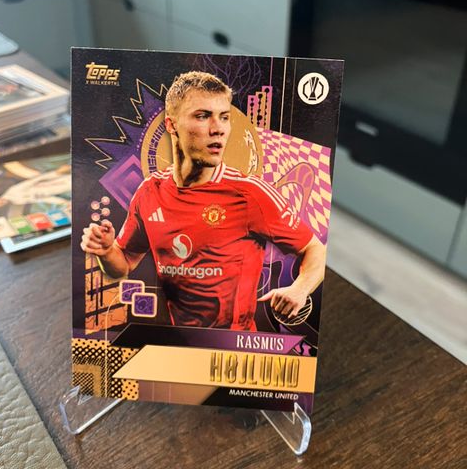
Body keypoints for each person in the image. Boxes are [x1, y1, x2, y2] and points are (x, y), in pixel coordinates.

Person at [81, 71, 326, 330]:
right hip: (181, 342)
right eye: (202, 116)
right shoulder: (149, 191)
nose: (218, 128)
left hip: (233, 346)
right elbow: (124, 263)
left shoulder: (250, 193)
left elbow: (316, 249)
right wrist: (106, 251)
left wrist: (300, 289)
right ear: (171, 125)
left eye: (224, 117)